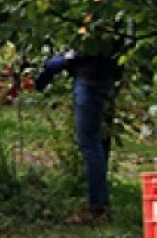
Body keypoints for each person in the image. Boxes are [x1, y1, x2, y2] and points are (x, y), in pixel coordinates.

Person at [34, 49, 122, 221]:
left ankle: (97, 207)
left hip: (91, 80)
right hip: (101, 78)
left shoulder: (96, 30)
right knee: (94, 143)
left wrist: (60, 62)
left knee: (90, 143)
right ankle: (99, 203)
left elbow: (85, 49)